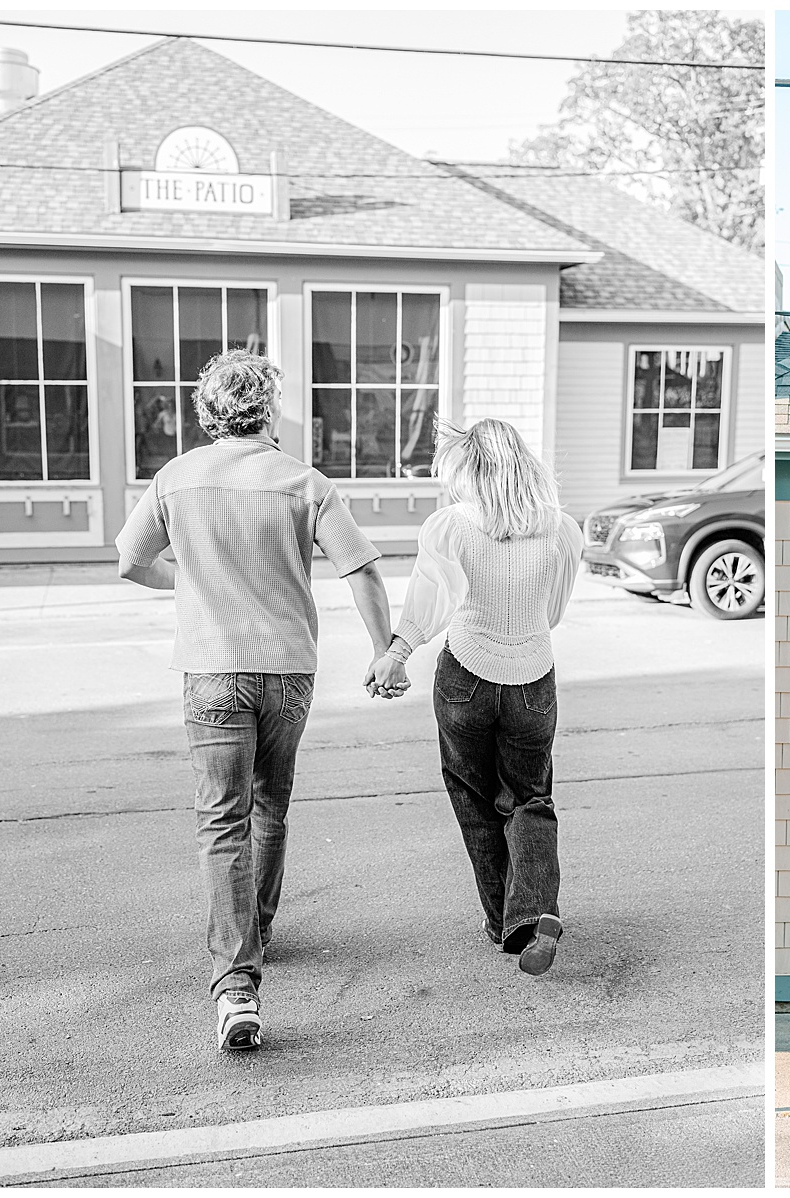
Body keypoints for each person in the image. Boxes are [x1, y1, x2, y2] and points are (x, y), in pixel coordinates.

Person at [115, 349, 391, 1051]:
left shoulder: (176, 479)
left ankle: (236, 985)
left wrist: (186, 584)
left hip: (211, 670)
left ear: (208, 413)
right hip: (288, 673)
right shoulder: (304, 481)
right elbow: (361, 570)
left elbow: (130, 560)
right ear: (268, 409)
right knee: (270, 804)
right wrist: (385, 648)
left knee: (221, 820)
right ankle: (256, 930)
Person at [368, 419, 583, 976]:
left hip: (466, 672)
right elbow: (553, 610)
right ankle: (536, 912)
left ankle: (502, 923)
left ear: (468, 470)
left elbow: (427, 601)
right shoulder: (562, 529)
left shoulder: (450, 527)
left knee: (473, 797)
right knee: (530, 798)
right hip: (533, 675)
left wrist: (397, 652)